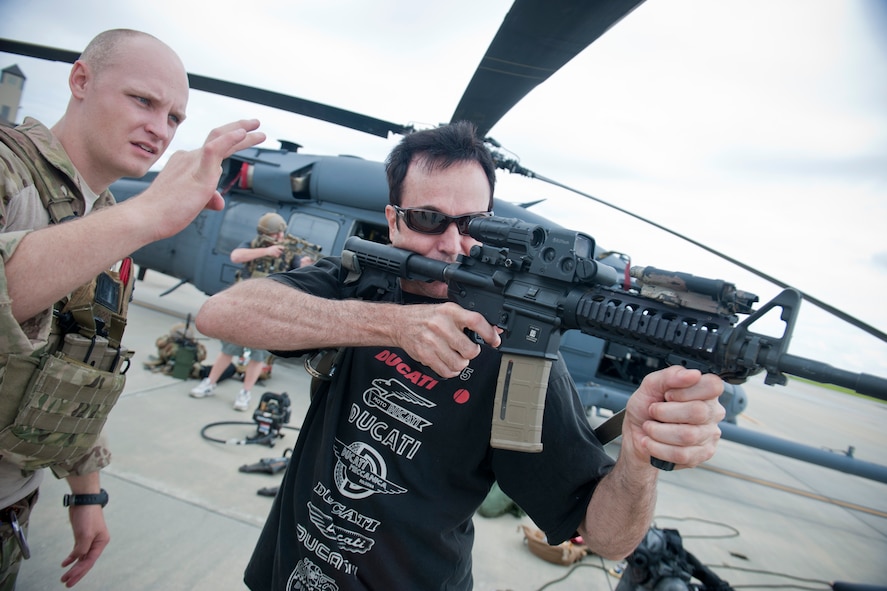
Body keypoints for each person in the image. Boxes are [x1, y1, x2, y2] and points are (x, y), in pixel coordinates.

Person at [195, 121, 724, 590]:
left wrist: (638, 462)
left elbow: (608, 538)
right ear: (394, 221)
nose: (451, 243)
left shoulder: (518, 355)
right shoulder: (363, 286)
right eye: (429, 218)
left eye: (473, 224)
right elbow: (222, 313)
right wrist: (394, 325)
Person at [0, 29, 265, 588]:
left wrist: (86, 490)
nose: (160, 129)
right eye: (143, 100)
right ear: (80, 80)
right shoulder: (10, 171)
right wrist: (147, 215)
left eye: (174, 118)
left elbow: (76, 359)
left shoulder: (104, 216)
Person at [190, 212, 314, 411]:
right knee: (228, 349)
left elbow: (299, 270)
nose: (280, 237)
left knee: (258, 356)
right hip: (243, 308)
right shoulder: (253, 245)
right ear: (265, 233)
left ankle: (245, 393)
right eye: (275, 234)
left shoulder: (288, 252)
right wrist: (266, 251)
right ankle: (210, 382)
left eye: (281, 233)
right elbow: (236, 256)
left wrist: (305, 266)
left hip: (268, 312)